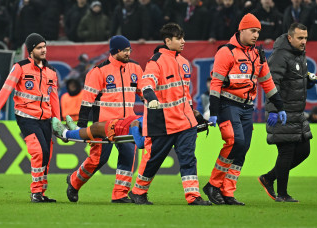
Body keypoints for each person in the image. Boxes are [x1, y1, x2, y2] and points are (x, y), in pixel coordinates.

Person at [205, 13, 286, 206]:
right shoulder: (226, 52)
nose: (256, 35)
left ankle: (228, 192)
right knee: (235, 142)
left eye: (258, 31)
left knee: (243, 149)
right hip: (228, 104)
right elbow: (216, 84)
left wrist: (279, 106)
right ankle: (213, 185)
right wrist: (214, 112)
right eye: (252, 31)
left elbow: (267, 82)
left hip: (246, 107)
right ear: (241, 30)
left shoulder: (258, 54)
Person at [128, 23, 212, 206]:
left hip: (185, 122)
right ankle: (137, 192)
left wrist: (193, 112)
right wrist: (150, 98)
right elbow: (145, 83)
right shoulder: (155, 61)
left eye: (183, 37)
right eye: (179, 38)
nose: (183, 41)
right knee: (153, 160)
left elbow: (185, 94)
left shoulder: (184, 62)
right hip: (162, 121)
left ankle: (193, 196)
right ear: (168, 40)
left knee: (188, 158)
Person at [65, 35, 144, 204]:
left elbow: (144, 93)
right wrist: (81, 129)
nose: (128, 53)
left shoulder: (136, 68)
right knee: (97, 160)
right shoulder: (98, 71)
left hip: (127, 124)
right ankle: (74, 182)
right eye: (125, 50)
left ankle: (120, 195)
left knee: (128, 156)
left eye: (130, 49)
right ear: (115, 51)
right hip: (103, 125)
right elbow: (86, 102)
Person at [0, 33, 60, 203]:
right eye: (39, 47)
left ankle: (41, 192)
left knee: (47, 154)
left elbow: (53, 98)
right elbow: (6, 89)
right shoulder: (20, 67)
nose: (44, 50)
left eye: (44, 46)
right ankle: (35, 193)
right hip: (26, 117)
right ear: (31, 50)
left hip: (46, 119)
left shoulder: (51, 72)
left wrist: (57, 121)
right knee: (38, 151)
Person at [258, 23, 317, 202]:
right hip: (282, 112)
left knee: (303, 151)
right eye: (300, 38)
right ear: (290, 38)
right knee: (286, 152)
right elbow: (271, 83)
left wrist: (309, 81)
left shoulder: (299, 55)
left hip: (296, 113)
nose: (304, 42)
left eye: (305, 38)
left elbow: (294, 80)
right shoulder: (280, 55)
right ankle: (283, 194)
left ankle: (268, 178)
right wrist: (273, 110)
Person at [52, 115, 145, 149]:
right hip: (128, 121)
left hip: (124, 128)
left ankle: (65, 134)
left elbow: (141, 143)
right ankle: (77, 130)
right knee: (97, 125)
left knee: (96, 128)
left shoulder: (157, 130)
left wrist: (135, 127)